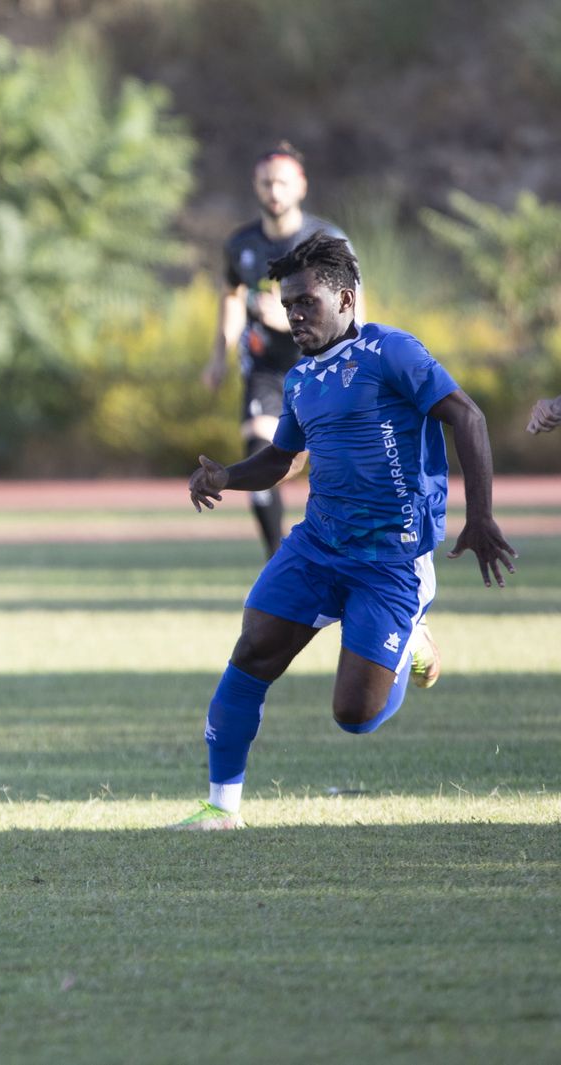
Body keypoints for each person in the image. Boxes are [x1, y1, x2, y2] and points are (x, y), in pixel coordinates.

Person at [176, 234, 515, 830]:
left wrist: (480, 516)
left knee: (354, 716)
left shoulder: (393, 352)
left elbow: (467, 415)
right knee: (251, 653)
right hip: (316, 547)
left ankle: (411, 636)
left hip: (390, 559)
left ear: (347, 298)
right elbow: (283, 458)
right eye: (287, 306)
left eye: (306, 301)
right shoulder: (301, 379)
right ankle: (220, 809)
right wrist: (227, 475)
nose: (295, 315)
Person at [203, 143, 361, 558]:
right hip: (267, 369)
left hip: (321, 365)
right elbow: (232, 296)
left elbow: (353, 304)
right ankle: (277, 558)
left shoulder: (327, 240)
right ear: (256, 187)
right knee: (259, 455)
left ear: (301, 186)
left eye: (282, 182)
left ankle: (350, 552)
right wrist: (218, 355)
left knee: (336, 466)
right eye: (266, 183)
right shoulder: (241, 244)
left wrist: (295, 316)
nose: (274, 190)